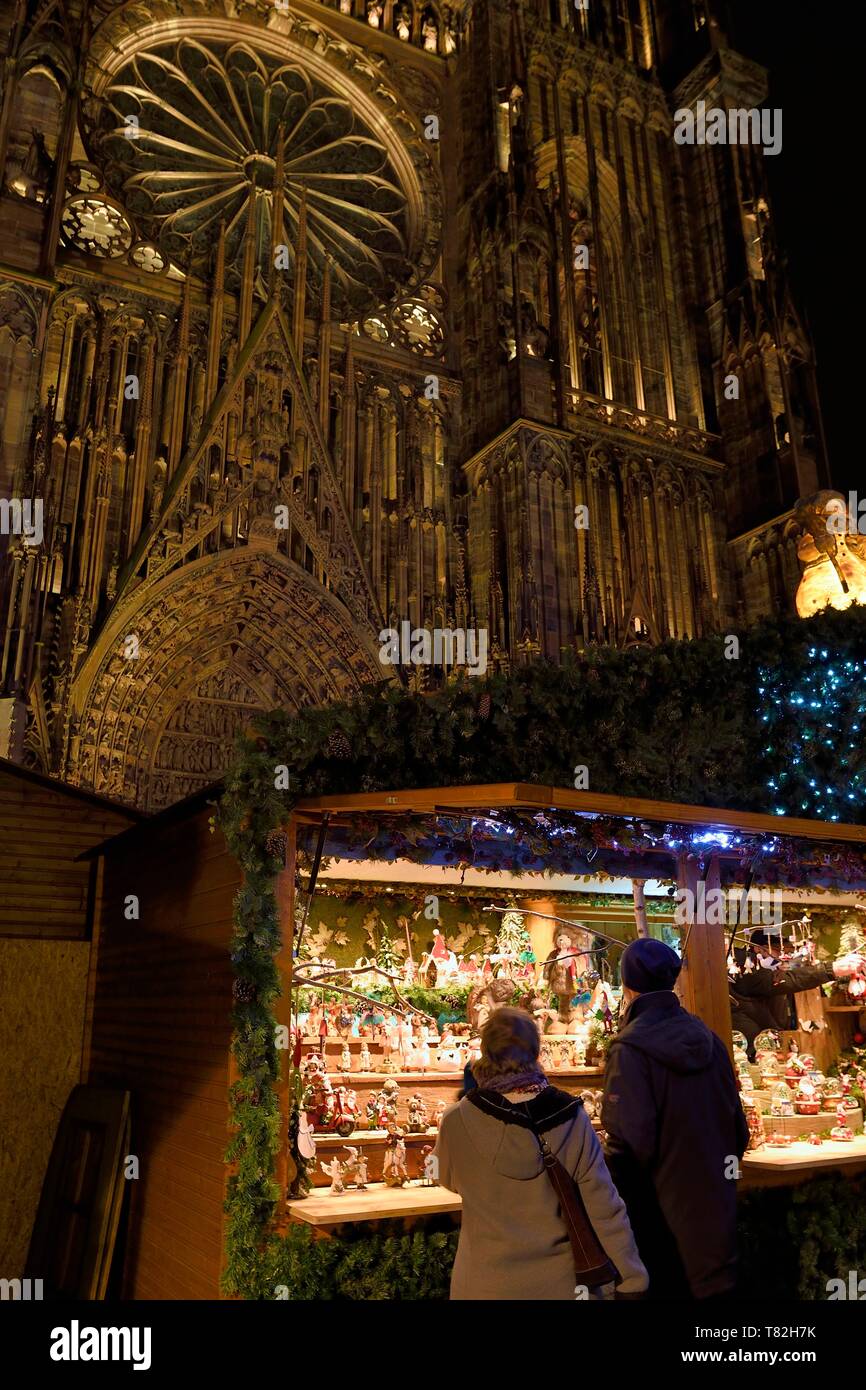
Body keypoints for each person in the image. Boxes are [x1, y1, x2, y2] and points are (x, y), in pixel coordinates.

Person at [434, 1007, 648, 1300]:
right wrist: (632, 1277)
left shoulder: (456, 1119)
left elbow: (444, 1177)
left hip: (483, 1284)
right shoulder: (570, 1116)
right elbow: (603, 1205)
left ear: (485, 1052)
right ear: (535, 1051)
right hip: (563, 1285)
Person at [601, 938, 749, 1301]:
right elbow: (738, 1132)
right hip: (716, 1221)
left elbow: (628, 1148)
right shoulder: (711, 1041)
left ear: (628, 985)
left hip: (660, 1228)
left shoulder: (630, 1048)